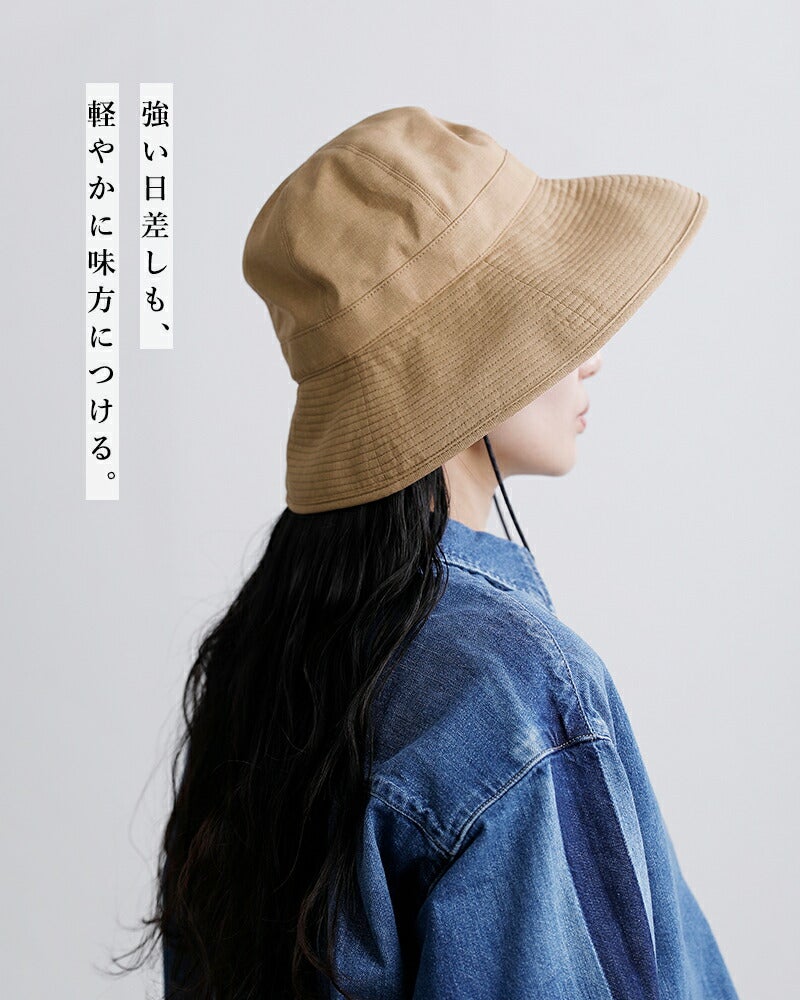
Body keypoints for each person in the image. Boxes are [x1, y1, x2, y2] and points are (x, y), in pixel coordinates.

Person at [120, 106, 741, 998]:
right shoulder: (520, 693)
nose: (592, 356)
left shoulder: (266, 657)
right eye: (549, 317)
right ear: (466, 364)